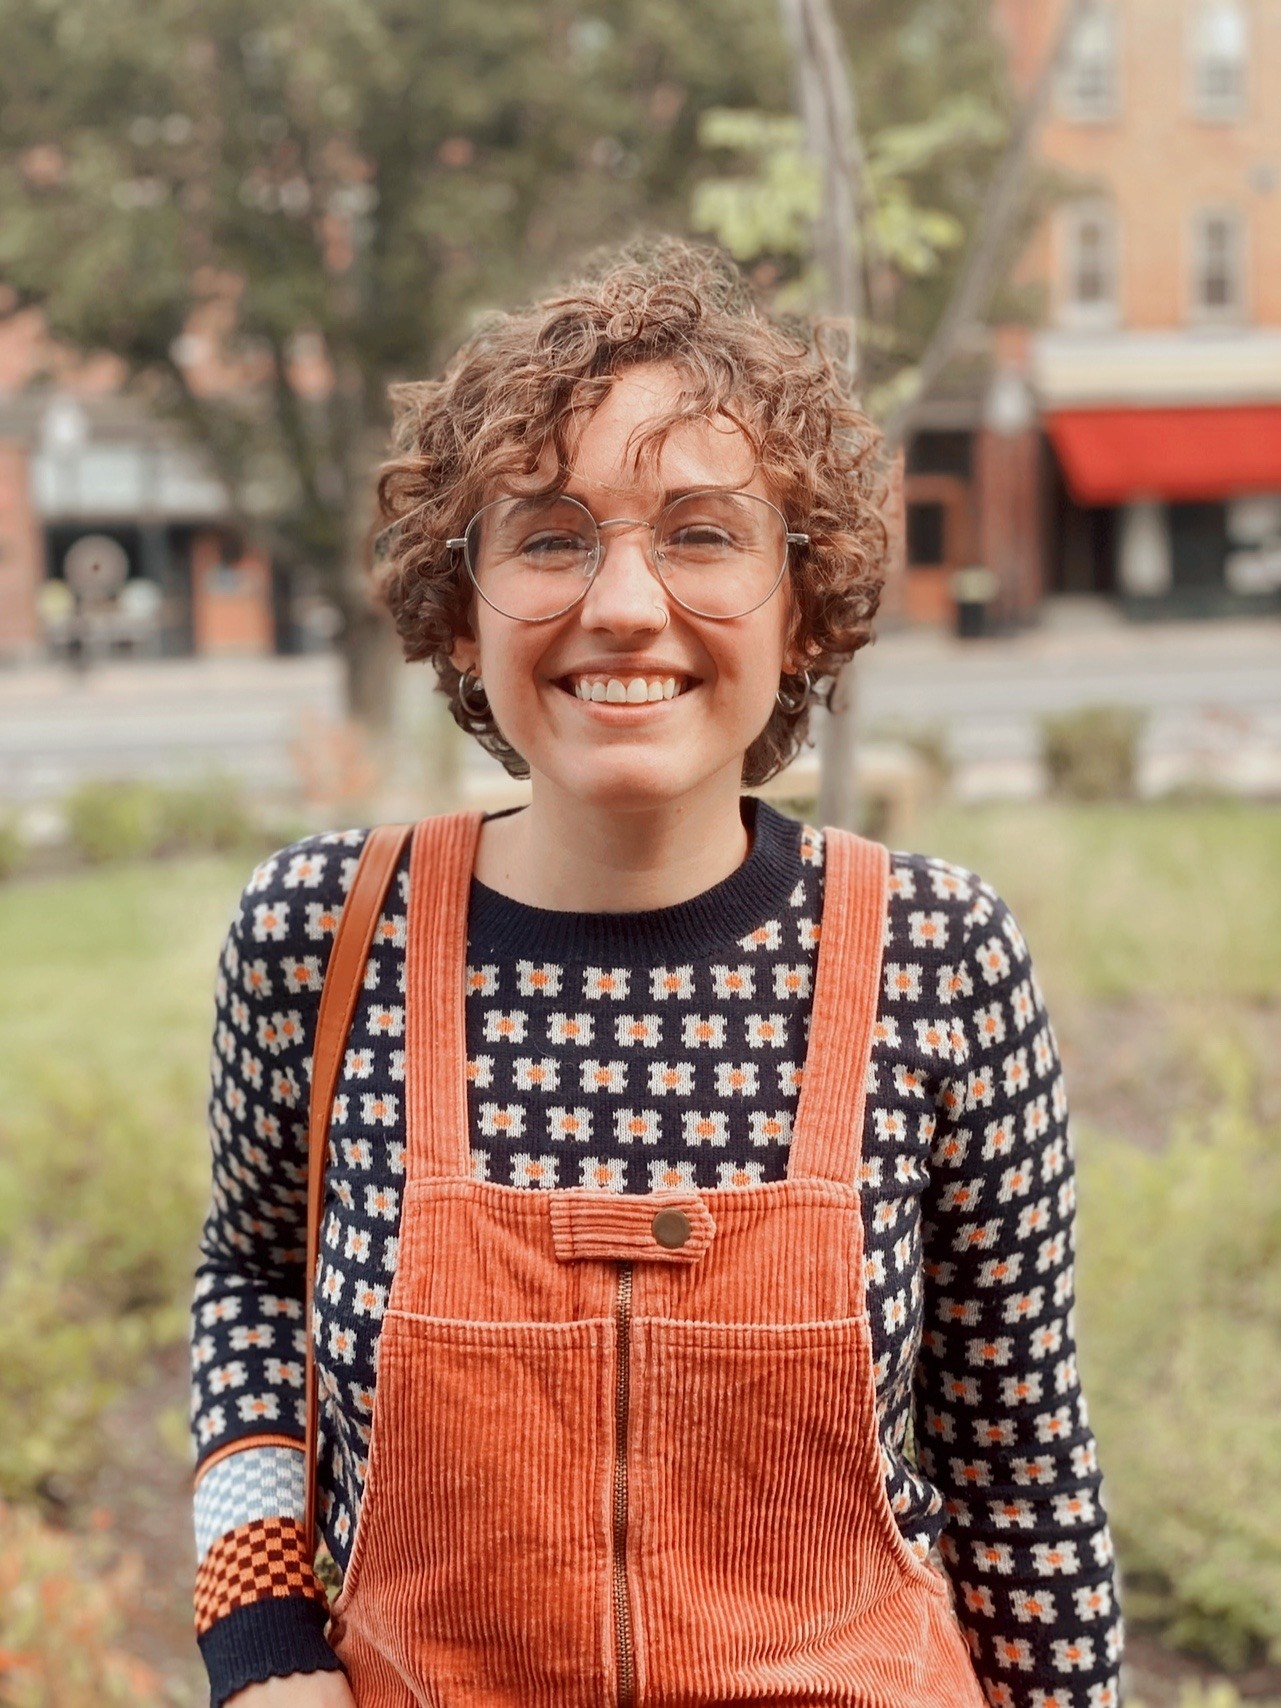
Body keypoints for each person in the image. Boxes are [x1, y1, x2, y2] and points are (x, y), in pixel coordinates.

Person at [189, 240, 1123, 1707]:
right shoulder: (324, 937)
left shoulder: (936, 962)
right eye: (551, 536)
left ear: (803, 605)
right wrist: (255, 1639)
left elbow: (1021, 1468)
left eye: (701, 533)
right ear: (463, 600)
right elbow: (249, 1278)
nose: (622, 603)